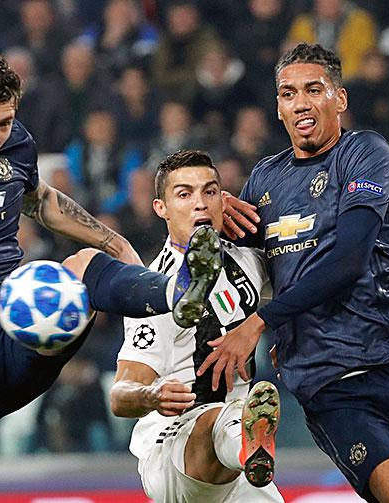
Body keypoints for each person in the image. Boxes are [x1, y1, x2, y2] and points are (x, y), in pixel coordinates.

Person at [0, 19, 219, 502]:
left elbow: (41, 200)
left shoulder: (16, 147)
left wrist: (115, 244)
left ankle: (174, 291)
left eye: (3, 123)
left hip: (20, 328)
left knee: (84, 266)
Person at [197, 43, 389, 502]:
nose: (299, 102)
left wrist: (263, 322)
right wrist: (211, 220)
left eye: (313, 89)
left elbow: (349, 258)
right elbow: (245, 271)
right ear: (278, 108)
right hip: (330, 383)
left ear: (339, 99)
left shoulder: (364, 153)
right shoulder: (263, 180)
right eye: (287, 93)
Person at [110, 150, 282, 502]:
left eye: (210, 191)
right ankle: (249, 442)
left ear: (224, 199)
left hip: (235, 465)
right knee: (218, 417)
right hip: (174, 447)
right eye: (185, 194)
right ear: (161, 208)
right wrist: (152, 395)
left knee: (230, 416)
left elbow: (302, 286)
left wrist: (293, 337)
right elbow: (119, 394)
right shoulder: (155, 291)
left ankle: (250, 446)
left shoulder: (246, 261)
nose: (200, 204)